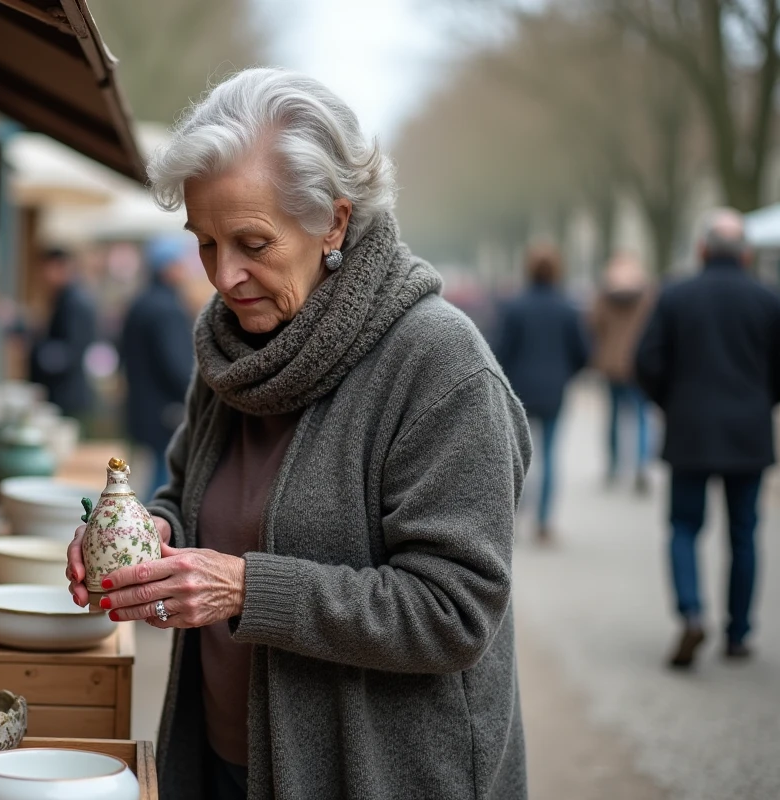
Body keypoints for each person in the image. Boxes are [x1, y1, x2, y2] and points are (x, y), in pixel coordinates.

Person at [66, 68, 531, 800]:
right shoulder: (227, 347)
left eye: (252, 242)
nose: (224, 275)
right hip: (223, 758)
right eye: (206, 241)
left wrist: (243, 586)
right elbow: (186, 495)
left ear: (334, 223)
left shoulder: (441, 365)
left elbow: (454, 612)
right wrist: (143, 537)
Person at [635, 208, 780, 668]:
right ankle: (738, 633)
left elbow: (647, 361)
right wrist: (763, 403)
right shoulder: (768, 300)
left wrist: (670, 404)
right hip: (748, 430)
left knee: (683, 527)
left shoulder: (677, 296)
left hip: (691, 428)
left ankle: (692, 613)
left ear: (701, 249)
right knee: (744, 534)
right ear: (746, 254)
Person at [494, 245, 589, 543]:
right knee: (550, 456)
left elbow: (500, 350)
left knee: (519, 455)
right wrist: (565, 375)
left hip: (519, 388)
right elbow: (583, 352)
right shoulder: (567, 308)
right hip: (554, 390)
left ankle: (514, 516)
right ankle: (545, 521)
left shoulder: (515, 307)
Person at [121, 236, 196, 496]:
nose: (184, 269)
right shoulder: (168, 309)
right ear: (167, 266)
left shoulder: (140, 302)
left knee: (139, 478)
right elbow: (177, 367)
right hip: (164, 414)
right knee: (160, 489)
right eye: (179, 262)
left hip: (140, 408)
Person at [591, 253, 655, 493]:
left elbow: (593, 323)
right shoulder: (648, 295)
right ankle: (641, 465)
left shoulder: (604, 295)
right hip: (639, 364)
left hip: (611, 364)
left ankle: (614, 466)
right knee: (641, 418)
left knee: (614, 417)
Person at [28, 247, 97, 417]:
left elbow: (70, 351)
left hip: (68, 393)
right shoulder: (66, 298)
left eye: (47, 270)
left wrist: (36, 350)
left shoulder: (74, 303)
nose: (44, 277)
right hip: (65, 390)